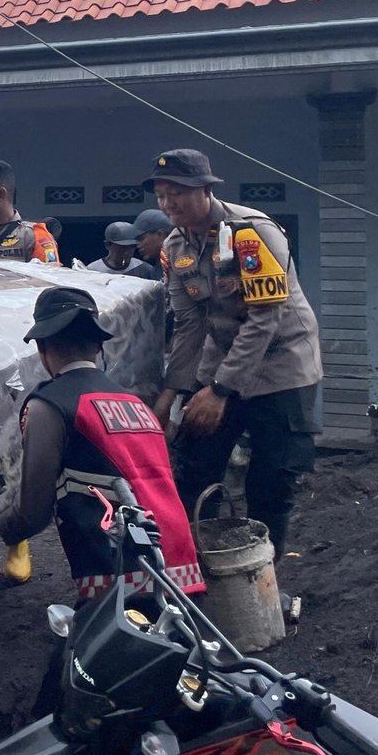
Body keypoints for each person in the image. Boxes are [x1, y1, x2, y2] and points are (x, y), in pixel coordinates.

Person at [0, 286, 203, 715]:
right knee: (167, 700)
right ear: (99, 346)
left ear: (43, 348)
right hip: (180, 569)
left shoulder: (49, 405)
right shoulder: (135, 404)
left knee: (74, 702)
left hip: (121, 577)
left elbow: (32, 514)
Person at [145, 149, 322, 558]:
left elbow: (265, 318)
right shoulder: (174, 247)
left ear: (205, 189)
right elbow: (189, 324)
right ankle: (198, 564)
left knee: (272, 479)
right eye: (161, 195)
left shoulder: (251, 233)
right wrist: (171, 395)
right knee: (194, 465)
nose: (168, 204)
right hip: (222, 359)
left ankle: (263, 570)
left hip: (282, 364)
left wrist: (221, 391)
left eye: (177, 193)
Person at [86, 221, 150, 276]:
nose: (127, 252)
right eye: (122, 247)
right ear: (108, 245)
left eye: (131, 246)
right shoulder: (93, 270)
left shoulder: (143, 268)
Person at [129, 208, 171, 280]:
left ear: (160, 235)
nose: (138, 245)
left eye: (141, 239)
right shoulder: (155, 270)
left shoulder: (182, 262)